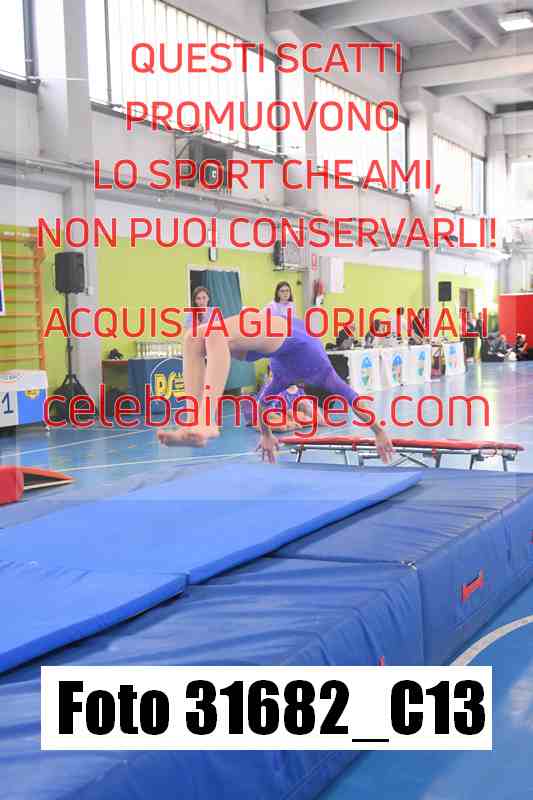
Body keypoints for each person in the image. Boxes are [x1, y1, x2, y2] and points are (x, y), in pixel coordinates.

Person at [157, 309, 394, 464]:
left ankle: (205, 422)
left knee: (213, 334)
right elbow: (354, 400)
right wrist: (379, 432)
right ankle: (194, 423)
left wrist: (267, 434)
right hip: (279, 335)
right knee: (193, 338)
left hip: (275, 336)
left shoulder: (287, 379)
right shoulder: (322, 374)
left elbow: (262, 405)